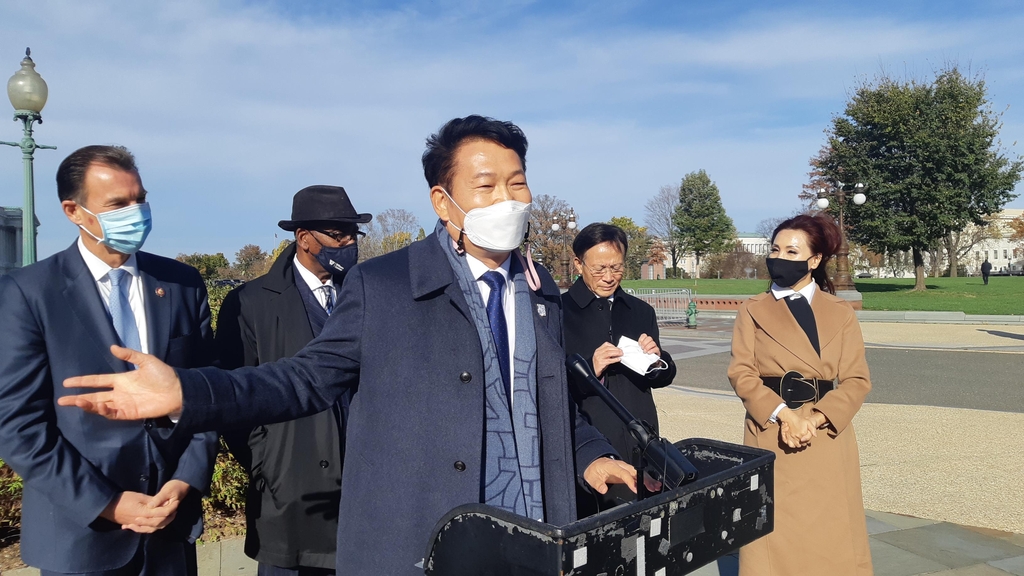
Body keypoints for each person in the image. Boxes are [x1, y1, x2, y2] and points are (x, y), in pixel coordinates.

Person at [60, 116, 639, 576]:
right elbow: (301, 379)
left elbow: (544, 400)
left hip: (536, 538)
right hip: (431, 544)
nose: (507, 200)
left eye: (517, 183)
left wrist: (590, 457)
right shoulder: (384, 286)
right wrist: (186, 391)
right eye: (485, 186)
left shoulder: (539, 293)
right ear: (443, 201)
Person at [0, 145, 218, 576]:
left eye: (140, 198)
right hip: (80, 536)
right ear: (74, 211)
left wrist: (186, 480)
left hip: (170, 527)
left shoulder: (182, 284)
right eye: (118, 204)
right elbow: (18, 423)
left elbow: (206, 392)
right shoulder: (29, 293)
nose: (135, 212)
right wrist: (108, 504)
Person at [216, 185, 371, 575]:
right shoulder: (250, 303)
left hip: (362, 491)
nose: (349, 243)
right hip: (288, 497)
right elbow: (235, 399)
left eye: (353, 233)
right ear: (304, 239)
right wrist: (268, 464)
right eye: (338, 235)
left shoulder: (368, 294)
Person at [727, 213, 873, 576]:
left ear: (814, 260)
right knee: (773, 529)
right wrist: (783, 414)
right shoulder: (752, 310)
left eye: (791, 251)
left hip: (823, 432)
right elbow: (741, 373)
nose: (779, 257)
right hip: (772, 429)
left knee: (829, 530)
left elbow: (856, 379)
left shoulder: (840, 313)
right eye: (775, 249)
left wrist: (816, 416)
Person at [561, 223, 676, 517]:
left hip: (641, 434)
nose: (609, 277)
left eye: (617, 267)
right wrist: (591, 368)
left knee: (645, 523)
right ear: (578, 263)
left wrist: (658, 360)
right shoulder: (558, 312)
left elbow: (661, 377)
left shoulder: (640, 311)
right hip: (589, 440)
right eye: (599, 269)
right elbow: (548, 386)